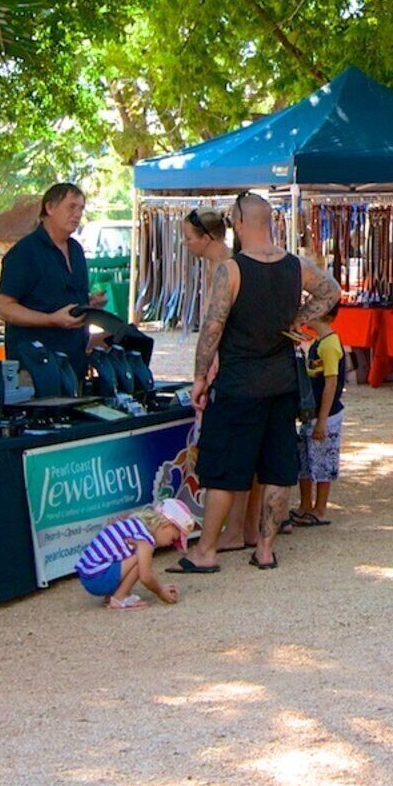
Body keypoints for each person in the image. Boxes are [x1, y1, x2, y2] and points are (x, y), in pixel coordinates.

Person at [194, 189, 339, 570]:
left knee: (225, 470)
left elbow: (213, 326)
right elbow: (331, 290)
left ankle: (206, 551)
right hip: (282, 381)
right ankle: (265, 548)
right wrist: (299, 318)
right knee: (278, 467)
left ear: (239, 223)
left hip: (240, 384)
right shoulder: (295, 265)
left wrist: (198, 376)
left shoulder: (233, 269)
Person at [0, 182, 106, 390]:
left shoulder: (76, 250)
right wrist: (50, 320)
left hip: (73, 363)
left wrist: (88, 303)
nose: (77, 214)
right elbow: (3, 307)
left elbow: (57, 296)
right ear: (50, 208)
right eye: (71, 207)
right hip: (36, 367)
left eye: (81, 208)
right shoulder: (25, 252)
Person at [169, 209, 234, 573]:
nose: (185, 243)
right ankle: (235, 528)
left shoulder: (226, 266)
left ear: (206, 237)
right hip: (219, 365)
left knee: (223, 451)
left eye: (189, 237)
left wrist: (206, 372)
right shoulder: (219, 265)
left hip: (222, 368)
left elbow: (217, 324)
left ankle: (226, 531)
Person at [76, 495, 197, 608]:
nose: (171, 543)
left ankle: (114, 594)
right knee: (141, 558)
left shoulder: (136, 526)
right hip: (97, 579)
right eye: (174, 538)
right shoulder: (144, 541)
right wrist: (160, 590)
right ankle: (120, 597)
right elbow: (145, 577)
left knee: (132, 554)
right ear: (167, 524)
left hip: (89, 575)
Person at [290, 324, 345, 528]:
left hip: (326, 414)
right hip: (311, 413)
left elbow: (331, 383)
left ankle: (320, 508)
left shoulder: (329, 344)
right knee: (305, 460)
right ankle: (305, 504)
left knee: (323, 461)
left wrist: (322, 420)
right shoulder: (318, 342)